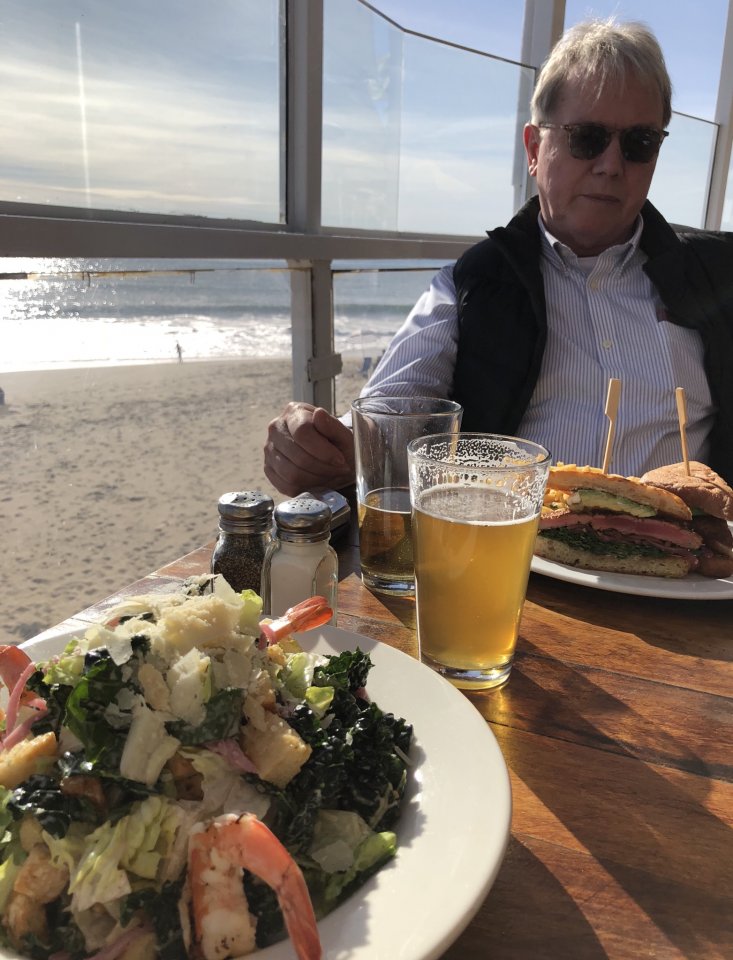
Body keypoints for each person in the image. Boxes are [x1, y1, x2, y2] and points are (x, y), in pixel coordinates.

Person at [264, 18, 733, 496]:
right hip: (517, 540)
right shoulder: (474, 283)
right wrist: (319, 444)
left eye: (639, 143)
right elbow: (390, 414)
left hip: (684, 542)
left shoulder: (716, 276)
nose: (611, 165)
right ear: (534, 149)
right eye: (587, 138)